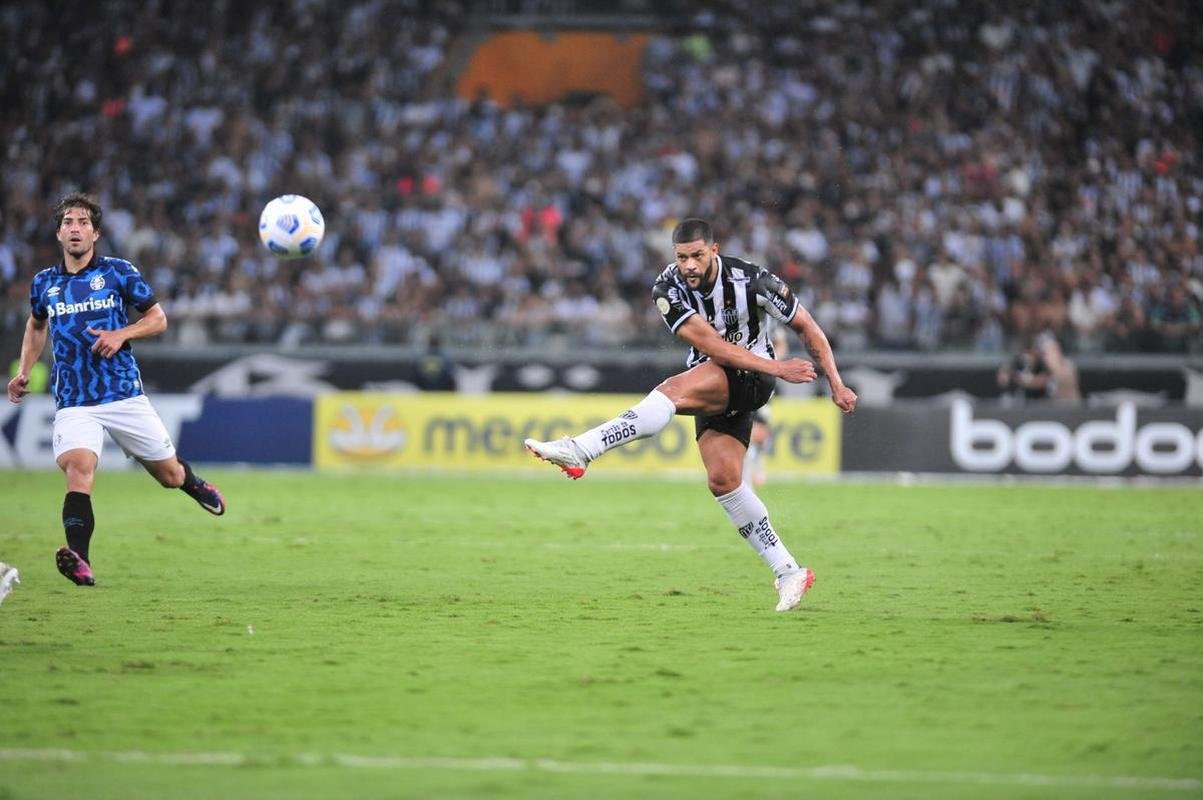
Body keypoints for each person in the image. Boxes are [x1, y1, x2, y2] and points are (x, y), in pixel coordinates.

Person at [524, 218, 857, 612]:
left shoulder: (753, 281)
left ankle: (582, 450)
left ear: (714, 250)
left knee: (669, 392)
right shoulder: (667, 289)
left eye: (698, 256)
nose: (690, 266)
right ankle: (789, 571)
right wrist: (779, 368)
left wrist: (834, 382)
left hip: (751, 378)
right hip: (720, 377)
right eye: (682, 257)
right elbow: (712, 346)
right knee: (724, 482)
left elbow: (809, 329)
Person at [6, 192, 226, 587]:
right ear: (58, 233)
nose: (75, 229)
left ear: (96, 232)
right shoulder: (44, 283)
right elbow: (36, 326)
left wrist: (122, 333)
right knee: (79, 469)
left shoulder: (118, 273)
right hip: (75, 400)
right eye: (68, 223)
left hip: (123, 395)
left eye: (83, 223)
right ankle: (80, 559)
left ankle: (192, 483)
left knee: (169, 476)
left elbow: (158, 319)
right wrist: (25, 370)